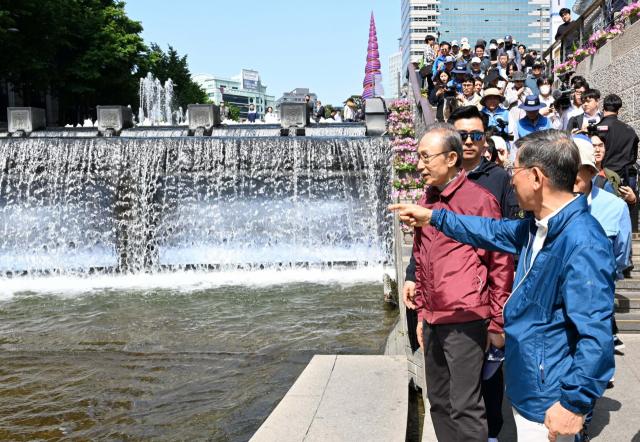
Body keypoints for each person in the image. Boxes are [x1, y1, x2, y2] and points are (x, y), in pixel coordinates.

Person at [390, 129, 616, 442]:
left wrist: (573, 404)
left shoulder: (583, 241)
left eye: (516, 171)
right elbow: (487, 229)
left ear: (536, 177)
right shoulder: (536, 227)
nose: (510, 180)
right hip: (530, 387)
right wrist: (432, 217)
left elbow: (596, 336)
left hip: (551, 397)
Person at [400, 121, 514, 442]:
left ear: (450, 159)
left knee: (466, 405)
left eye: (425, 157)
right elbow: (421, 261)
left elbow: (501, 264)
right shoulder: (427, 200)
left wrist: (497, 323)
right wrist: (421, 315)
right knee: (437, 401)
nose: (419, 165)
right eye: (419, 157)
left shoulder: (480, 200)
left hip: (467, 319)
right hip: (434, 318)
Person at [571, 134, 631, 440]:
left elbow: (621, 255)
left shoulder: (615, 207)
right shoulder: (547, 205)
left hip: (597, 305)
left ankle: (583, 424)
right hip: (559, 308)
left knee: (590, 367)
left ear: (594, 172)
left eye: (580, 169)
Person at [599, 94, 640, 191]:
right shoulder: (630, 130)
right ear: (619, 110)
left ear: (603, 107)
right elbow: (633, 157)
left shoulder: (597, 129)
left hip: (604, 180)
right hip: (626, 180)